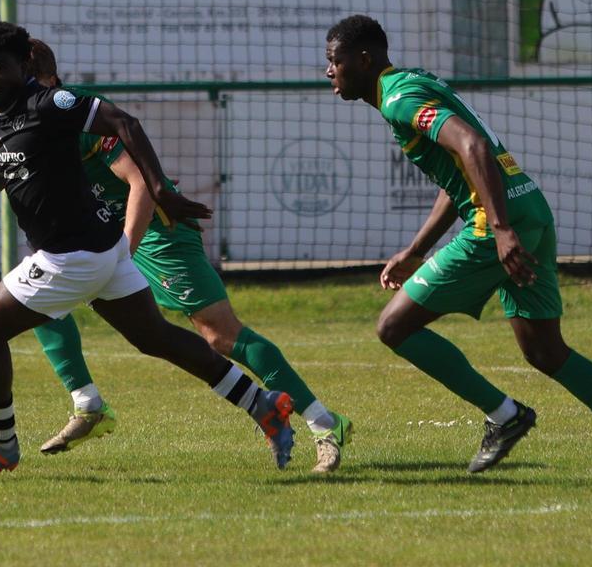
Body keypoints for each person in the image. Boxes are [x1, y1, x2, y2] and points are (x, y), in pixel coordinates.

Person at [324, 14, 592, 483]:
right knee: (545, 352)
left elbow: (472, 146)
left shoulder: (399, 98)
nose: (329, 71)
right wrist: (418, 248)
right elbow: (461, 170)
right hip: (529, 209)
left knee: (394, 327)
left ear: (364, 59)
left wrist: (498, 229)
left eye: (335, 61)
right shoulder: (412, 82)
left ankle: (504, 414)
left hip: (495, 227)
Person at [0, 21, 295, 475]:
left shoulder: (50, 104)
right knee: (156, 338)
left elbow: (124, 122)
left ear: (24, 65)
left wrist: (160, 188)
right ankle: (262, 405)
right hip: (103, 253)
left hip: (72, 257)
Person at [26, 39, 353, 473]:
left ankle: (326, 423)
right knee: (37, 298)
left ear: (51, 80)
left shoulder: (78, 120)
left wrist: (123, 252)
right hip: (101, 235)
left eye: (31, 81)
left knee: (220, 334)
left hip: (154, 230)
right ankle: (88, 406)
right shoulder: (22, 125)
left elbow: (140, 182)